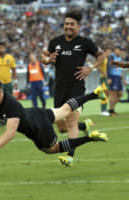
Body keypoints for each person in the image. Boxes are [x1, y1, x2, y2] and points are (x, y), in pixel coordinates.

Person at [0, 78, 108, 163]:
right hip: (34, 112)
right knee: (64, 110)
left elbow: (10, 133)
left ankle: (90, 138)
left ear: (0, 92)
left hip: (38, 128)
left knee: (52, 149)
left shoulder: (10, 104)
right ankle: (94, 94)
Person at [41, 9, 105, 165]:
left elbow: (101, 55)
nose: (68, 26)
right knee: (61, 127)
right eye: (66, 24)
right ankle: (86, 125)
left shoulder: (85, 42)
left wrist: (90, 67)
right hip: (59, 88)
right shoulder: (55, 42)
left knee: (71, 123)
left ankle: (70, 156)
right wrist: (48, 59)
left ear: (78, 26)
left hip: (76, 87)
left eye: (72, 24)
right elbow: (43, 57)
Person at [107, 46, 123, 116]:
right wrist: (109, 78)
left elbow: (120, 68)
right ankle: (111, 111)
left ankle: (112, 109)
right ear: (116, 50)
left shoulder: (119, 57)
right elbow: (108, 67)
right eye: (119, 50)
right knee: (113, 95)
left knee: (120, 94)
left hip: (118, 77)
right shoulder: (111, 56)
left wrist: (122, 78)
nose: (120, 52)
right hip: (113, 77)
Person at [97, 46, 112, 116]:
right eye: (108, 51)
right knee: (105, 93)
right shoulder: (103, 58)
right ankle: (103, 110)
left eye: (110, 51)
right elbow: (98, 67)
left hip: (108, 78)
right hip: (103, 78)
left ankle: (105, 109)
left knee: (108, 94)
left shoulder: (109, 59)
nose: (109, 53)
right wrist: (104, 73)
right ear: (104, 52)